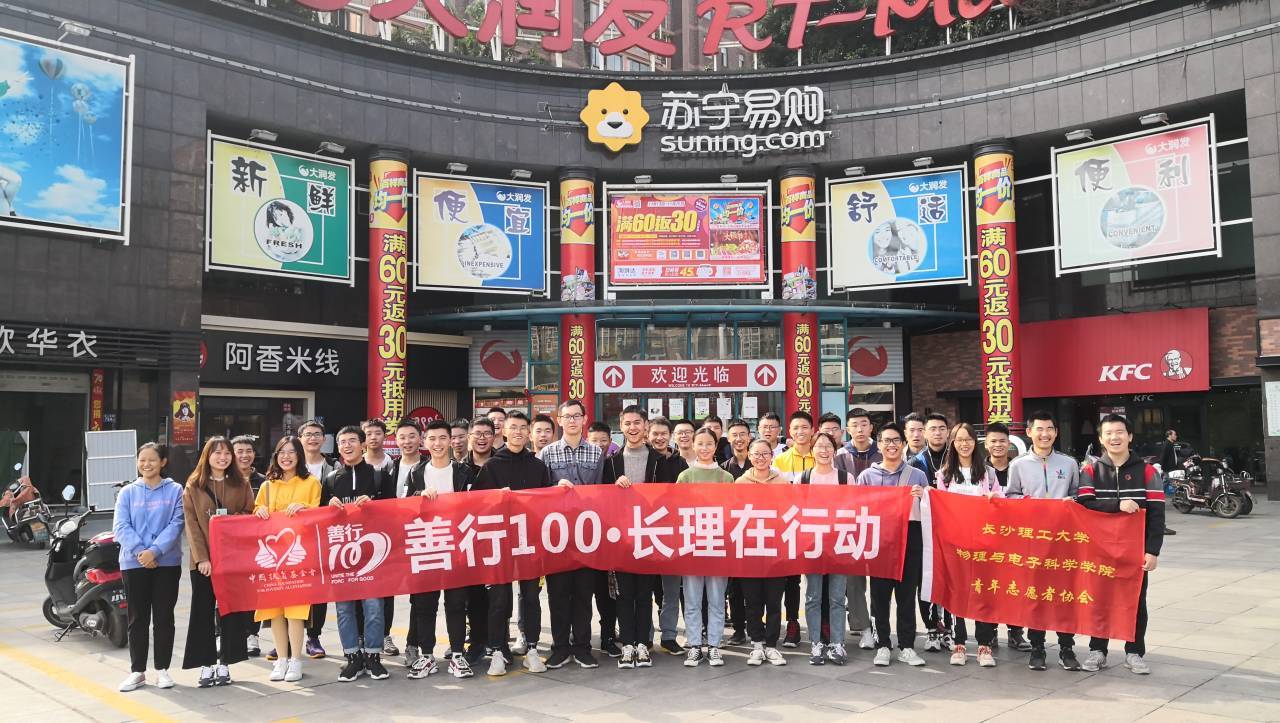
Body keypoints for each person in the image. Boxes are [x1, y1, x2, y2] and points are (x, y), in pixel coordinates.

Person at [1077, 413, 1165, 676]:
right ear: (1101, 439)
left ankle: (1134, 652)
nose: (1114, 437)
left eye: (1120, 432)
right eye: (1108, 433)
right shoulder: (1090, 471)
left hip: (1134, 551)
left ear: (1130, 436)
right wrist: (1118, 505)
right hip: (1099, 550)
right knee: (1098, 600)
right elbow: (1084, 504)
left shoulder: (1148, 471)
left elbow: (1157, 514)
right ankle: (1097, 650)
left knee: (1136, 601)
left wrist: (1152, 550)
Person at [473, 411, 558, 676]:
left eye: (523, 427)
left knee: (531, 596)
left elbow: (547, 502)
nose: (518, 432)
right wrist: (496, 498)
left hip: (530, 541)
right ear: (504, 431)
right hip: (499, 541)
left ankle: (531, 648)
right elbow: (477, 504)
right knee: (499, 599)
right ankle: (498, 651)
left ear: (528, 432)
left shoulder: (538, 466)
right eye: (513, 427)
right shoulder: (492, 466)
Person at [1005, 410, 1082, 672]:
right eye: (1039, 429)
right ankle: (1037, 647)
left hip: (1063, 540)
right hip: (1033, 541)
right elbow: (1011, 496)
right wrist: (1030, 504)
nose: (1044, 434)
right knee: (1035, 594)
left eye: (1049, 429)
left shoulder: (1069, 463)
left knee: (1064, 595)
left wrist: (1072, 502)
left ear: (1056, 432)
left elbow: (1078, 495)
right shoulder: (1018, 465)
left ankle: (1066, 647)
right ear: (1029, 432)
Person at [406, 420, 481, 680]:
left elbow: (478, 505)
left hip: (456, 548)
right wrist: (418, 496)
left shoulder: (464, 472)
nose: (437, 444)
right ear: (424, 442)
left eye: (442, 438)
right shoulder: (415, 473)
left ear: (451, 441)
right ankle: (427, 656)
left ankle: (457, 655)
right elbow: (402, 508)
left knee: (457, 604)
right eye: (432, 439)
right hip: (426, 545)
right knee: (425, 604)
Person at [323, 425, 395, 682]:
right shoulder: (331, 479)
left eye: (352, 440)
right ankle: (352, 656)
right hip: (342, 555)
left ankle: (373, 656)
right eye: (342, 442)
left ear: (363, 444)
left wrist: (375, 506)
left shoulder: (379, 476)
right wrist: (328, 506)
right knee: (344, 609)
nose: (347, 445)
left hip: (374, 554)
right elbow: (320, 519)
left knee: (374, 606)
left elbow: (394, 510)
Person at [538, 399, 606, 669]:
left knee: (583, 595)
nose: (572, 421)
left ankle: (582, 647)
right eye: (567, 416)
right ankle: (560, 647)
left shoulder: (596, 453)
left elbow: (601, 493)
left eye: (577, 416)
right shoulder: (547, 453)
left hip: (586, 534)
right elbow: (539, 493)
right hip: (557, 535)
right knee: (557, 595)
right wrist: (555, 488)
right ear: (560, 420)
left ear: (585, 419)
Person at [183, 436, 254, 688]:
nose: (223, 458)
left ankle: (226, 663)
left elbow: (249, 513)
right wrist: (202, 558)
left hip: (232, 561)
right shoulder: (194, 485)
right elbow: (191, 525)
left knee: (231, 613)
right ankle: (205, 664)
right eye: (217, 453)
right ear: (207, 456)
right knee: (202, 613)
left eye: (226, 453)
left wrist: (233, 520)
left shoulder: (241, 483)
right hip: (203, 563)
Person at [114, 443, 184, 693]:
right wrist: (141, 552)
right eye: (142, 460)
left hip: (167, 562)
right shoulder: (127, 492)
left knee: (164, 617)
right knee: (137, 618)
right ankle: (137, 671)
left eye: (152, 460)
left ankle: (162, 669)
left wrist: (154, 552)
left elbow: (177, 524)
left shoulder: (175, 490)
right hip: (133, 563)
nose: (146, 464)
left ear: (163, 462)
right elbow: (121, 526)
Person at [857, 423, 928, 668]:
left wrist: (923, 497)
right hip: (880, 541)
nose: (891, 445)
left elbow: (929, 512)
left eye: (896, 440)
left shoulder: (917, 475)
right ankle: (883, 645)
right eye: (886, 440)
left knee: (907, 596)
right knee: (879, 597)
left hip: (910, 539)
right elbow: (859, 510)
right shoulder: (867, 476)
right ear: (878, 445)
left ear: (903, 444)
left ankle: (907, 646)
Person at [253, 436, 321, 683]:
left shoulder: (311, 483)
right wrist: (259, 510)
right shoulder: (267, 486)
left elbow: (319, 516)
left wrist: (305, 509)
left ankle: (295, 660)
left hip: (297, 557)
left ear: (299, 455)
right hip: (273, 560)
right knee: (275, 612)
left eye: (292, 452)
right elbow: (256, 514)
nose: (286, 457)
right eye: (282, 452)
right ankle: (281, 659)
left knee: (295, 612)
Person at [933, 423, 1002, 668]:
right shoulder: (944, 474)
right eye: (959, 440)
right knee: (957, 593)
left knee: (983, 592)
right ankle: (959, 643)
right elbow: (940, 509)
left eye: (969, 439)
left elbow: (1001, 504)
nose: (964, 444)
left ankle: (984, 644)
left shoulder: (988, 472)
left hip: (983, 544)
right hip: (956, 544)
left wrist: (995, 499)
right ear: (952, 443)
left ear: (975, 442)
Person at [603, 405, 663, 669]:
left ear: (646, 425)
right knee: (624, 594)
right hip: (622, 539)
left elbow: (668, 496)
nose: (632, 428)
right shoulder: (611, 463)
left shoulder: (659, 459)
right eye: (627, 423)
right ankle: (627, 644)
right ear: (621, 426)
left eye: (637, 422)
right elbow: (602, 497)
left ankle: (643, 644)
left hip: (650, 536)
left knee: (644, 594)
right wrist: (614, 487)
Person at [676, 428, 735, 667]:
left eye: (709, 443)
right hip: (692, 545)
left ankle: (714, 645)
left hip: (718, 545)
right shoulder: (685, 476)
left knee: (717, 599)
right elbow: (677, 511)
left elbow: (732, 512)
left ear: (716, 446)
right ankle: (694, 645)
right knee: (692, 600)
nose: (704, 448)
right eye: (699, 443)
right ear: (693, 445)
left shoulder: (726, 478)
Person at [798, 432, 851, 666]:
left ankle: (838, 643)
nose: (824, 450)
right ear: (812, 450)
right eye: (819, 446)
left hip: (839, 544)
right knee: (813, 597)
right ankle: (816, 643)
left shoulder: (845, 477)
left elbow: (854, 509)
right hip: (812, 545)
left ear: (835, 450)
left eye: (828, 446)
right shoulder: (803, 478)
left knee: (837, 597)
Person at [735, 439, 788, 666]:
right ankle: (756, 645)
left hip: (776, 551)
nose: (760, 458)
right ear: (749, 456)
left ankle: (772, 645)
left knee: (774, 602)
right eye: (756, 454)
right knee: (753, 601)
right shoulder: (740, 483)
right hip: (749, 551)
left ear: (772, 456)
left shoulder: (782, 482)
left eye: (765, 453)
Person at [983, 422, 1031, 652]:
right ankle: (989, 632)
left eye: (1002, 441)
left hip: (1016, 537)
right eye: (993, 441)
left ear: (1009, 443)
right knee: (990, 587)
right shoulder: (979, 470)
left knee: (1015, 587)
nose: (998, 445)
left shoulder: (1019, 468)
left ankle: (1016, 633)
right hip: (987, 537)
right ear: (986, 444)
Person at [834, 408, 880, 652]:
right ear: (847, 430)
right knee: (854, 581)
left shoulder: (883, 451)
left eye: (864, 424)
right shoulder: (840, 455)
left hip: (881, 524)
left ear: (871, 427)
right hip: (850, 525)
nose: (860, 429)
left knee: (882, 581)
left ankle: (880, 625)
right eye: (855, 425)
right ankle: (864, 628)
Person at [385, 420, 427, 664]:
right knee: (386, 590)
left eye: (412, 436)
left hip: (419, 536)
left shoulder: (427, 467)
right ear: (396, 440)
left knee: (418, 596)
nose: (407, 441)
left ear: (420, 439)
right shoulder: (389, 469)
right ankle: (383, 636)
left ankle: (413, 645)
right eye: (402, 437)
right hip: (393, 539)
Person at [774, 411, 816, 648]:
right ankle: (792, 622)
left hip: (816, 526)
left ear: (812, 430)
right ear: (789, 432)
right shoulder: (780, 461)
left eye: (804, 427)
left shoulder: (820, 456)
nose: (800, 432)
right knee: (792, 579)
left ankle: (822, 624)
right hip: (789, 526)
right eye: (796, 428)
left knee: (818, 577)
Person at [910, 412, 951, 651]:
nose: (937, 433)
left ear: (948, 432)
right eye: (932, 429)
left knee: (950, 579)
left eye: (941, 428)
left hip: (952, 529)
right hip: (924, 530)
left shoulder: (956, 458)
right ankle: (932, 629)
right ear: (925, 433)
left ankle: (950, 629)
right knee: (925, 579)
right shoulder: (916, 463)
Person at [648, 415, 688, 655]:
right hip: (644, 533)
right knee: (645, 591)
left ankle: (669, 636)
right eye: (655, 433)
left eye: (664, 434)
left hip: (672, 535)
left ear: (670, 436)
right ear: (648, 434)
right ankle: (645, 637)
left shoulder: (680, 463)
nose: (659, 438)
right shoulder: (643, 459)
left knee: (671, 592)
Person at [296, 419, 333, 660]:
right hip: (294, 539)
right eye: (308, 434)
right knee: (293, 588)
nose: (312, 438)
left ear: (324, 439)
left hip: (324, 537)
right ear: (300, 439)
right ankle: (288, 637)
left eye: (317, 434)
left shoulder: (334, 467)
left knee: (319, 589)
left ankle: (314, 636)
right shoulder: (289, 464)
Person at [231, 435, 267, 658]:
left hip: (257, 546)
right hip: (230, 546)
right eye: (239, 451)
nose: (244, 455)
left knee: (254, 591)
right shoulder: (224, 479)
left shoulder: (264, 481)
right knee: (228, 591)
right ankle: (225, 634)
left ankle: (252, 634)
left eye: (248, 451)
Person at [720, 418, 753, 646]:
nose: (739, 439)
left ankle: (756, 626)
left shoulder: (759, 464)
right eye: (735, 435)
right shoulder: (723, 469)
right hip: (732, 536)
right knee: (734, 588)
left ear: (749, 437)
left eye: (743, 434)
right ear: (728, 438)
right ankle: (739, 629)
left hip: (757, 533)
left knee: (756, 586)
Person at [1157, 429, 1179, 536]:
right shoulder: (1167, 444)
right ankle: (1159, 494)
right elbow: (1163, 456)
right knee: (1168, 482)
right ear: (1169, 435)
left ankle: (1176, 498)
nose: (1176, 436)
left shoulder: (1171, 444)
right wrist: (1161, 467)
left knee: (1170, 482)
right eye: (1174, 434)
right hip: (1168, 469)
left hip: (1171, 468)